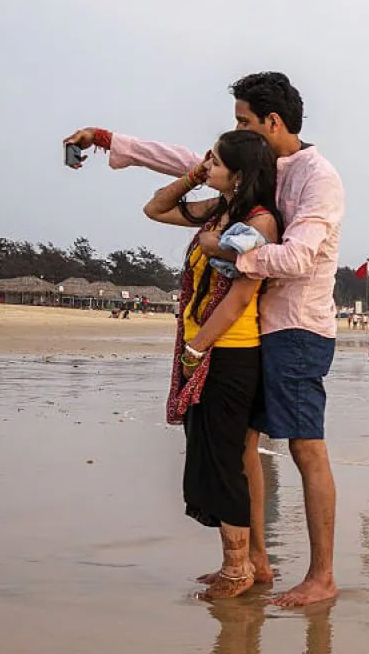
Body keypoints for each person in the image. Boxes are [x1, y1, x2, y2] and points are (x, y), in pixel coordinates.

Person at [64, 71, 345, 607]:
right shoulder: (257, 168)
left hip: (298, 328)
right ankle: (256, 561)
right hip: (260, 328)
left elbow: (300, 256)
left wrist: (229, 252)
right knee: (244, 446)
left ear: (273, 122)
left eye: (243, 122)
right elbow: (182, 159)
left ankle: (322, 576)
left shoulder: (318, 177)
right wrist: (107, 140)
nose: (235, 130)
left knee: (306, 447)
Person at [140, 130, 282, 599]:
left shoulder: (259, 224)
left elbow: (241, 294)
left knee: (223, 460)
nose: (207, 164)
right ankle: (237, 564)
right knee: (212, 455)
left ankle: (238, 569)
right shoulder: (221, 213)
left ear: (239, 175)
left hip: (230, 352)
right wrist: (193, 175)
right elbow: (155, 209)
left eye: (216, 161)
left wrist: (197, 347)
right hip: (208, 348)